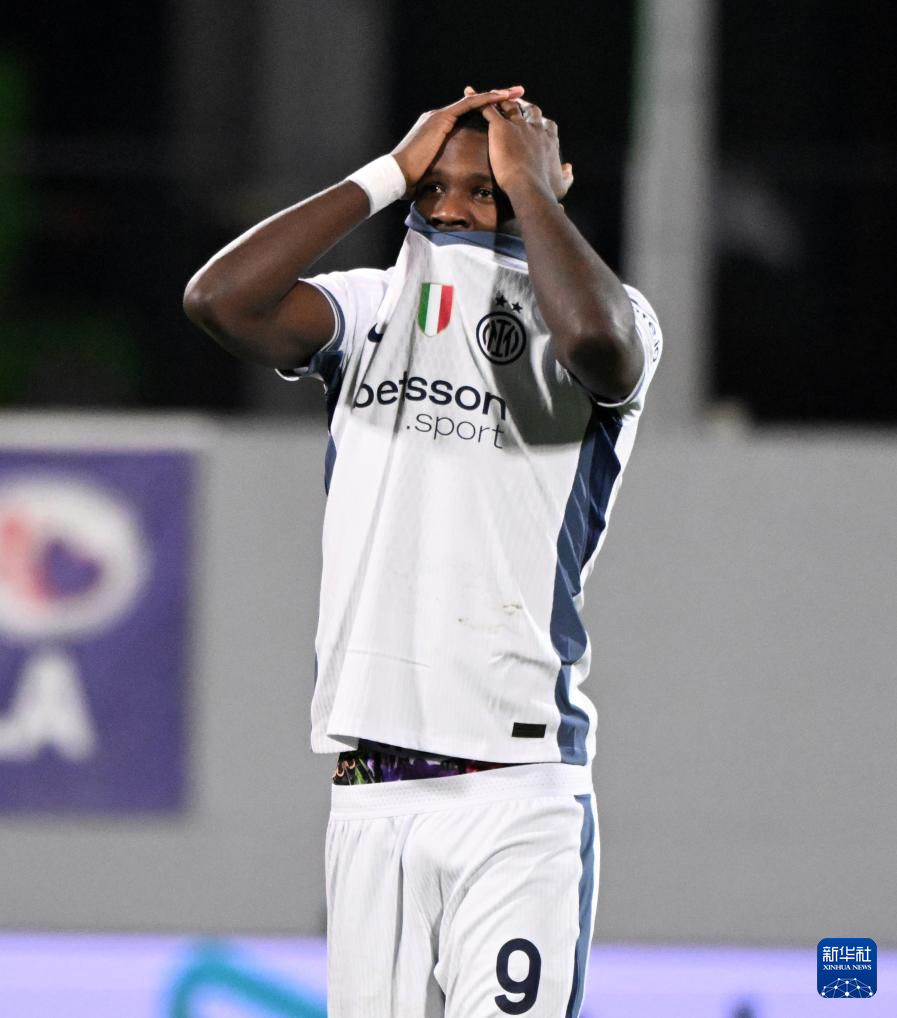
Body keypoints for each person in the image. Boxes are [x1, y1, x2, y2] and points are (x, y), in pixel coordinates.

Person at [184, 85, 662, 1018]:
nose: (450, 209)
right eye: (434, 190)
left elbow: (600, 346)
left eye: (485, 190)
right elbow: (219, 300)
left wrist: (531, 193)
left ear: (547, 186)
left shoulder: (608, 317)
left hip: (518, 793)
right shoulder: (370, 306)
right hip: (370, 797)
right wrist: (386, 172)